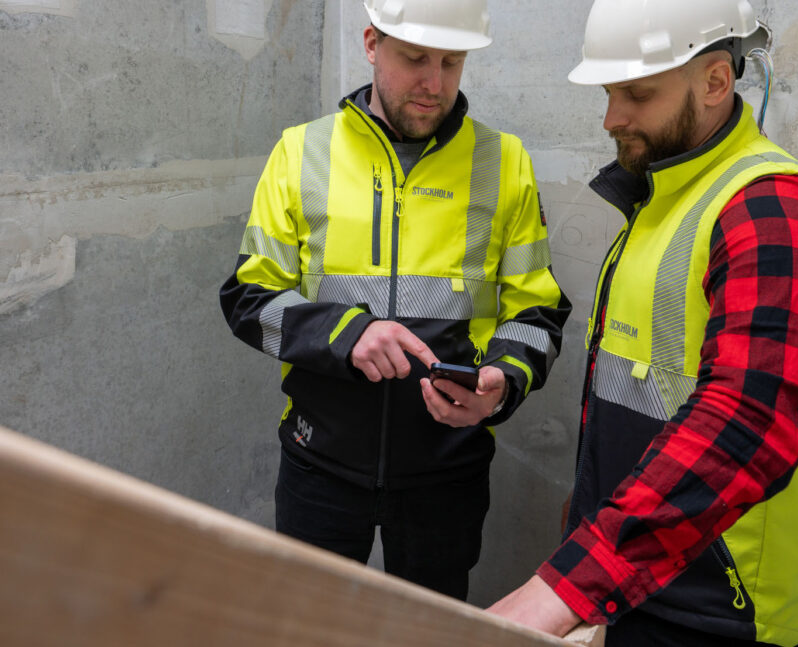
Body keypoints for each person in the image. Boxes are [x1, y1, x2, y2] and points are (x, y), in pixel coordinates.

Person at [487, 0, 798, 645]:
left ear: (715, 82)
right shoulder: (669, 198)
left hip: (717, 608)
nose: (611, 118)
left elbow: (748, 419)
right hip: (636, 585)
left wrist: (566, 586)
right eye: (609, 93)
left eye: (636, 94)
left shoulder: (774, 210)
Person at [219, 0, 570, 602]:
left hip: (448, 471)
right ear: (372, 44)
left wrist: (504, 380)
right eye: (415, 58)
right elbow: (249, 299)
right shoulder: (301, 153)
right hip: (318, 461)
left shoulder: (504, 162)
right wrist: (345, 334)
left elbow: (535, 310)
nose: (434, 83)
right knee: (311, 629)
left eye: (452, 62)